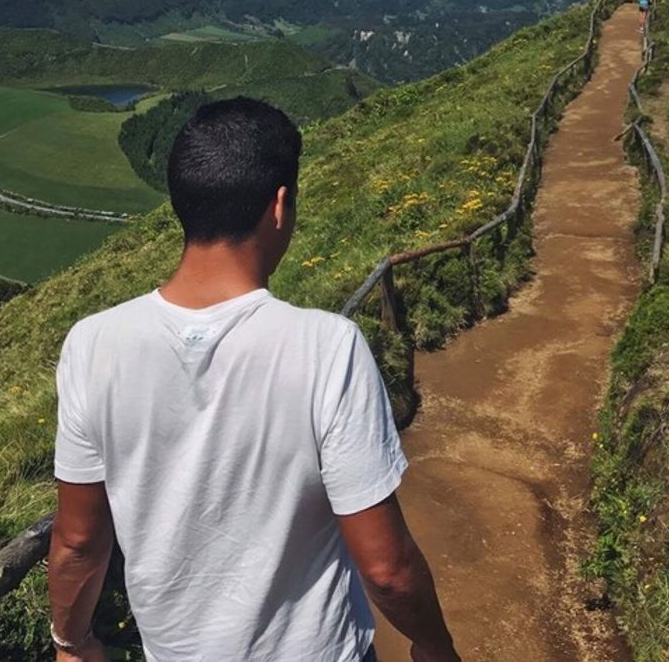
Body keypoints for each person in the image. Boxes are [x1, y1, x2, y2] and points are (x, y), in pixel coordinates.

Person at [48, 97, 459, 662]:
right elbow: (387, 569)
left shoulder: (91, 344)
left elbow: (77, 542)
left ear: (182, 202)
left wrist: (71, 642)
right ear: (280, 206)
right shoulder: (327, 347)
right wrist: (436, 645)